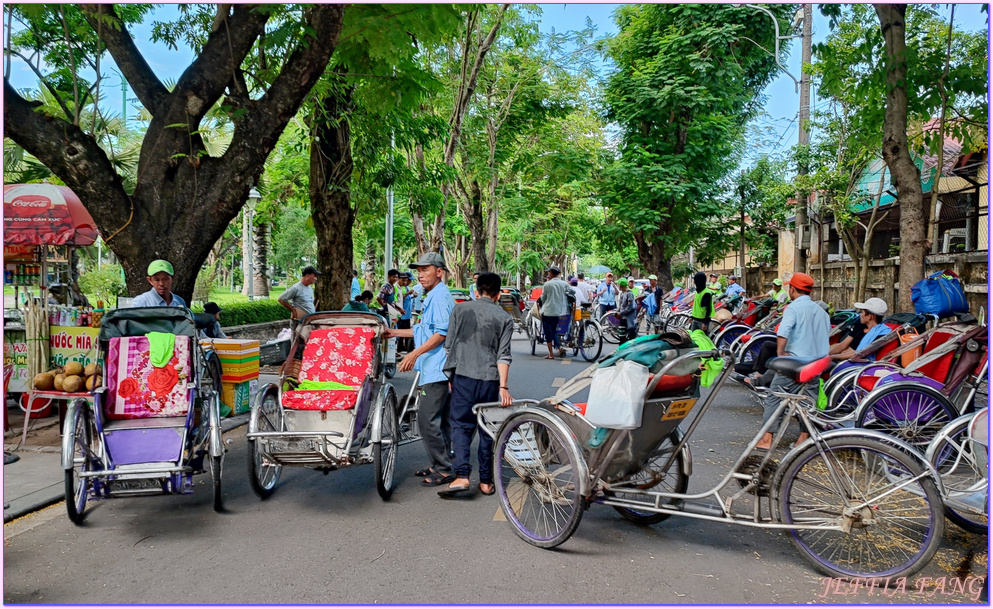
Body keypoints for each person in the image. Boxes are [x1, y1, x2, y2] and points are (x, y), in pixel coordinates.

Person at [439, 272, 514, 498]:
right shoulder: (504, 318)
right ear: (498, 294)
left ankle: (462, 475)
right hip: (490, 380)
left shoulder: (459, 310)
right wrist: (503, 387)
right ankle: (485, 481)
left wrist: (452, 377)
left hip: (463, 376)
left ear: (477, 290)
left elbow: (449, 346)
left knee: (461, 425)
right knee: (487, 429)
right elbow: (504, 355)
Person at [387, 252, 455, 487]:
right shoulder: (432, 295)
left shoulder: (439, 296)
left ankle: (444, 469)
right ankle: (440, 463)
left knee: (427, 420)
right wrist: (394, 332)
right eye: (419, 270)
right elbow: (423, 330)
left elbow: (441, 333)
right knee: (441, 421)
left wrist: (414, 353)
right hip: (434, 368)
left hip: (437, 369)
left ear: (439, 271)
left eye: (425, 270)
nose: (420, 274)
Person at [755, 272, 830, 450]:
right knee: (808, 400)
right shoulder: (821, 312)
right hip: (815, 364)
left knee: (775, 396)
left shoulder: (793, 308)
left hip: (794, 363)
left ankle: (767, 439)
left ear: (793, 289)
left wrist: (781, 353)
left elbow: (783, 332)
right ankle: (803, 440)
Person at [830, 297, 891, 361]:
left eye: (863, 312)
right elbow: (843, 344)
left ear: (871, 316)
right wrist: (828, 355)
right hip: (847, 357)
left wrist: (833, 357)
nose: (861, 315)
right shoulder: (860, 324)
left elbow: (862, 352)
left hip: (861, 363)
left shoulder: (882, 332)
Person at [538, 266, 572, 359]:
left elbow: (543, 298)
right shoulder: (564, 283)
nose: (548, 274)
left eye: (549, 273)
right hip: (558, 311)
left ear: (552, 273)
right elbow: (572, 291)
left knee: (548, 332)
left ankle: (551, 354)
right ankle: (558, 347)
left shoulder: (547, 284)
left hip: (547, 311)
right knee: (554, 331)